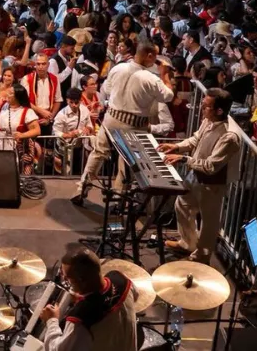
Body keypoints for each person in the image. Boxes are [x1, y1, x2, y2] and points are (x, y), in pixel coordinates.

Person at [72, 43, 174, 206]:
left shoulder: (118, 68)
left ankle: (82, 188)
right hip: (133, 125)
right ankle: (119, 200)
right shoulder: (151, 78)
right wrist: (165, 75)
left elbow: (108, 88)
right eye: (155, 56)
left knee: (98, 153)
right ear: (149, 56)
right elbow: (168, 96)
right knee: (127, 162)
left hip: (112, 118)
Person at [158, 88, 241, 264]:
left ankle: (202, 257)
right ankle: (188, 243)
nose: (202, 109)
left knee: (209, 222)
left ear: (219, 110)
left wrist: (182, 158)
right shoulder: (209, 119)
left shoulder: (230, 136)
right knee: (182, 205)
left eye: (206, 106)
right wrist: (177, 147)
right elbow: (195, 139)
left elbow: (212, 166)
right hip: (195, 173)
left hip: (213, 182)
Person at [40, 243, 137, 351]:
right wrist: (85, 298)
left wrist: (51, 320)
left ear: (81, 280)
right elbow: (134, 296)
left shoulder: (81, 318)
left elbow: (57, 349)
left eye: (67, 278)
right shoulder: (121, 279)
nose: (65, 280)